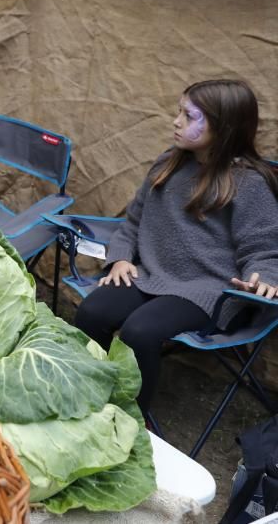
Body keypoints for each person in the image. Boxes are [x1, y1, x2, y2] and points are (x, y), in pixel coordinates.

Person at [74, 79, 278, 417]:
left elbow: (264, 247)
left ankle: (128, 422)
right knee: (91, 313)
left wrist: (266, 277)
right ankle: (86, 396)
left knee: (139, 332)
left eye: (190, 115)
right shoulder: (169, 163)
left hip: (208, 290)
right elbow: (134, 221)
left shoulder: (249, 183)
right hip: (152, 273)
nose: (176, 121)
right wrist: (121, 258)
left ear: (224, 126)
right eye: (178, 111)